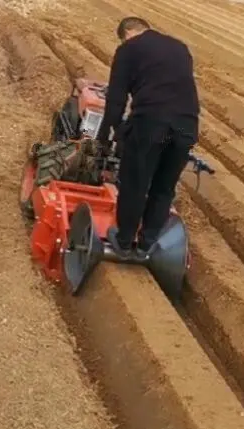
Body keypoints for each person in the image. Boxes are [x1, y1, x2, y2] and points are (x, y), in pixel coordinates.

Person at [96, 16, 200, 262]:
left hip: (152, 122)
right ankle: (146, 245)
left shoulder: (127, 50)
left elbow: (116, 101)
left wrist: (104, 137)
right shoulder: (180, 48)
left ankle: (123, 242)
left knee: (135, 182)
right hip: (187, 125)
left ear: (126, 34)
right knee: (163, 188)